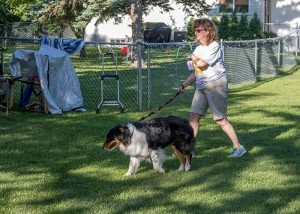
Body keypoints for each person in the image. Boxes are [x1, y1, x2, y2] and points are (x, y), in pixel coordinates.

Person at [178, 18, 246, 157]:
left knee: (220, 119)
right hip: (201, 86)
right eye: (195, 30)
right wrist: (183, 85)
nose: (195, 33)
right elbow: (196, 72)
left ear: (208, 31)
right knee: (193, 118)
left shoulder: (214, 46)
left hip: (216, 84)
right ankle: (188, 149)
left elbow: (202, 64)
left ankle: (238, 147)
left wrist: (193, 57)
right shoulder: (198, 48)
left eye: (198, 30)